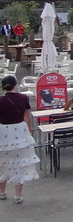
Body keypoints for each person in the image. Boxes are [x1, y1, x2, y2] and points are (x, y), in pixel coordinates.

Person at [0, 75, 40, 203]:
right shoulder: (23, 98)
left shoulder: (0, 100)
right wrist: (29, 129)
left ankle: (2, 192)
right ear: (16, 85)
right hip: (20, 131)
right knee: (20, 163)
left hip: (3, 132)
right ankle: (17, 195)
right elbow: (26, 116)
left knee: (3, 162)